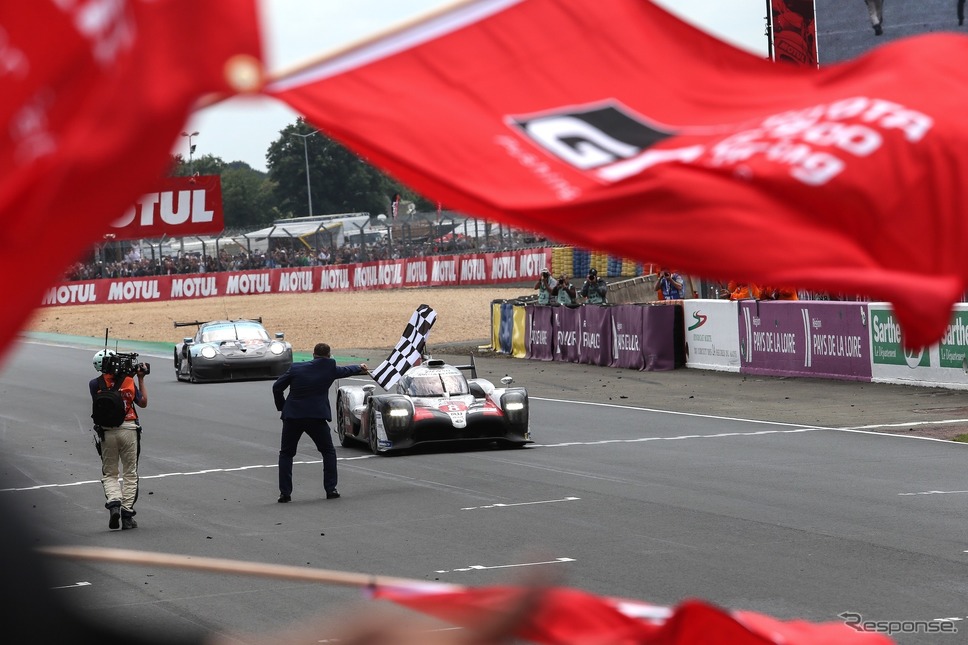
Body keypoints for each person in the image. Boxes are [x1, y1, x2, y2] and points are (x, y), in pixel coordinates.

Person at [272, 343, 368, 503]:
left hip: (293, 416)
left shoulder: (296, 368)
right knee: (328, 452)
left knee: (286, 454)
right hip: (316, 417)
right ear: (329, 355)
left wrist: (283, 407)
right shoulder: (329, 369)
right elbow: (345, 371)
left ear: (313, 354)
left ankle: (285, 493)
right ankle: (331, 489)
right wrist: (360, 367)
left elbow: (277, 387)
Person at [89, 349, 148, 531]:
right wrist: (140, 378)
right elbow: (143, 402)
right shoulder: (129, 381)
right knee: (130, 473)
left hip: (107, 432)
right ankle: (127, 514)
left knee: (110, 473)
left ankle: (114, 502)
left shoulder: (94, 384)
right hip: (129, 429)